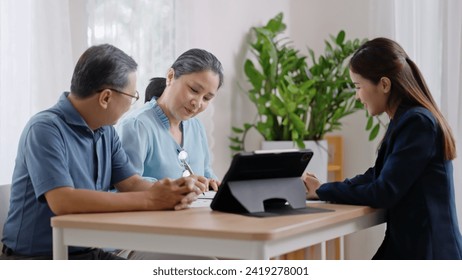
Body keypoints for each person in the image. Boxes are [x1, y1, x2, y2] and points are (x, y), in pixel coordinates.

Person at [0, 44, 205, 260]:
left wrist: (175, 190)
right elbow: (63, 201)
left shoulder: (105, 131)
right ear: (106, 98)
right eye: (132, 96)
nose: (132, 104)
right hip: (40, 259)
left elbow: (131, 183)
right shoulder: (44, 129)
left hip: (88, 252)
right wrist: (152, 199)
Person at [304, 37, 462, 260]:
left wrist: (323, 191)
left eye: (359, 87)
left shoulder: (417, 122)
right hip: (412, 248)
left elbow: (384, 191)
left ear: (385, 84)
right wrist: (323, 188)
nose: (357, 96)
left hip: (430, 253)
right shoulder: (407, 119)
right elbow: (378, 174)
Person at [117, 48, 224, 191]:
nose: (197, 103)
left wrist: (212, 183)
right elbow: (125, 185)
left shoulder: (196, 127)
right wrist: (177, 186)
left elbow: (206, 173)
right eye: (194, 90)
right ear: (170, 76)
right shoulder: (137, 125)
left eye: (206, 98)